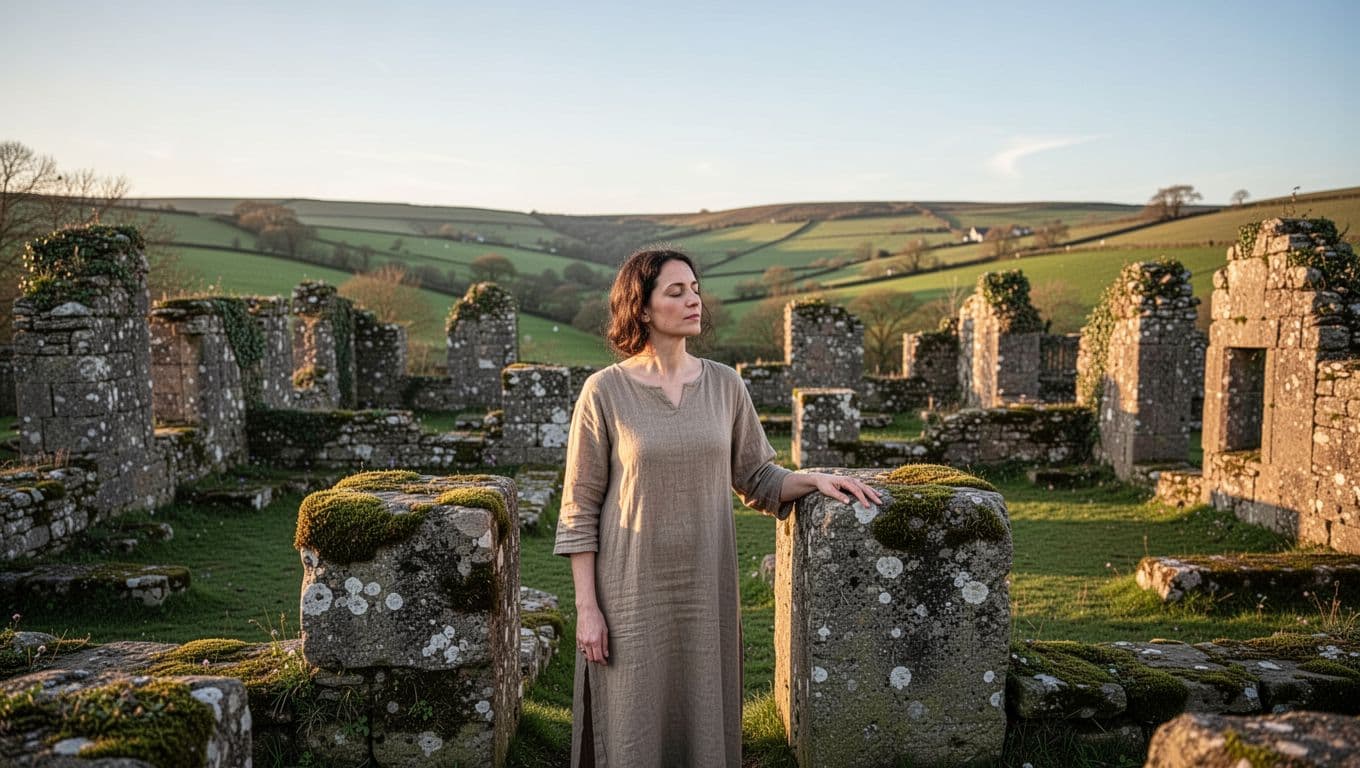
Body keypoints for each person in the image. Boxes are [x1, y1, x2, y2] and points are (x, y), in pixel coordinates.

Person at [553, 247, 881, 767]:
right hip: (629, 588)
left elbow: (755, 478)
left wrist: (813, 477)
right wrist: (587, 609)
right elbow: (579, 508)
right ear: (641, 307)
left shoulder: (726, 385)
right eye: (676, 291)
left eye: (696, 288)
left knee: (704, 712)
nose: (694, 300)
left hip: (707, 586)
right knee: (631, 722)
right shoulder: (604, 392)